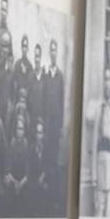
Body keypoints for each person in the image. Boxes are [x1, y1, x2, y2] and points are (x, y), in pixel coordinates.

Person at [95, 74, 110, 216]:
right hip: (101, 157)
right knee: (99, 206)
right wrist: (93, 175)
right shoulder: (100, 109)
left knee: (109, 209)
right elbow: (94, 140)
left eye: (109, 88)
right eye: (105, 87)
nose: (107, 90)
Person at [42, 38, 66, 175]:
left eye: (55, 50)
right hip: (47, 121)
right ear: (49, 53)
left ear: (57, 53)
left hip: (56, 122)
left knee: (54, 153)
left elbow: (62, 101)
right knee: (47, 151)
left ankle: (53, 182)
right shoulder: (46, 76)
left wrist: (61, 125)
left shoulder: (60, 76)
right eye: (51, 50)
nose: (53, 53)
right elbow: (44, 98)